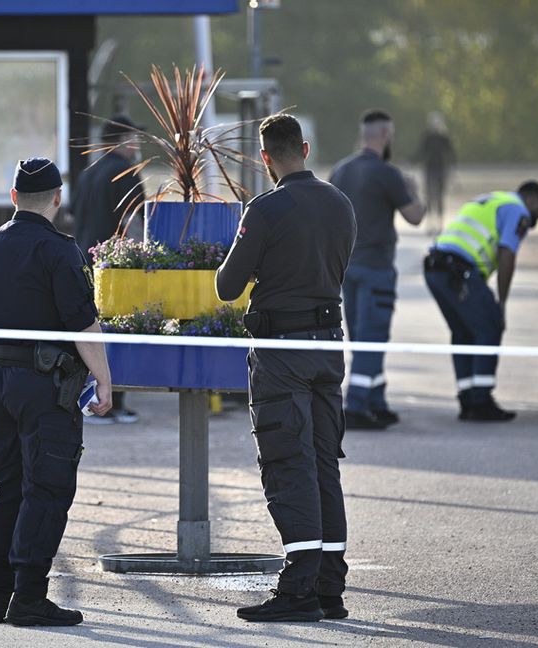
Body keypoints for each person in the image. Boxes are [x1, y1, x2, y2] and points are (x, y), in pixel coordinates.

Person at [0, 157, 113, 626]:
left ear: (13, 198)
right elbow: (82, 321)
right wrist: (104, 379)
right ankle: (29, 598)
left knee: (9, 488)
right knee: (46, 488)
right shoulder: (60, 250)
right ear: (58, 199)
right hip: (44, 386)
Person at [216, 113, 356, 623]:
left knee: (286, 462)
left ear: (265, 157)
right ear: (307, 146)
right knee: (323, 463)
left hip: (281, 352)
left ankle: (297, 589)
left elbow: (227, 287)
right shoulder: (340, 203)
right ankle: (329, 587)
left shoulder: (267, 209)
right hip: (327, 346)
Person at [329, 109, 426, 429]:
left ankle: (376, 399)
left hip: (348, 269)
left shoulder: (341, 171)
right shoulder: (388, 173)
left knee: (361, 338)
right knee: (374, 337)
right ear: (385, 135)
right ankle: (356, 405)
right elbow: (415, 216)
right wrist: (413, 189)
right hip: (377, 269)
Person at [423, 181, 538, 421]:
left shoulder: (494, 198)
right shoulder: (518, 211)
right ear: (532, 200)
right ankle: (480, 401)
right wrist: (501, 303)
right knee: (490, 324)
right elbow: (507, 254)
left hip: (436, 268)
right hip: (457, 270)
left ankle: (468, 397)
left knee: (463, 332)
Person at [70, 114, 146, 425]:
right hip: (117, 270)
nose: (137, 144)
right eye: (134, 138)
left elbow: (74, 214)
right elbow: (135, 223)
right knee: (117, 332)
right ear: (122, 140)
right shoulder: (125, 173)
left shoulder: (89, 174)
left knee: (88, 330)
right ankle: (112, 402)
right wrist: (145, 259)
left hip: (83, 263)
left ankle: (88, 400)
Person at [416, 112, 456, 233]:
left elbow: (451, 154)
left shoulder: (444, 137)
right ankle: (429, 224)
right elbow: (421, 152)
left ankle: (440, 225)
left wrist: (452, 170)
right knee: (428, 197)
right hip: (429, 169)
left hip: (441, 169)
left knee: (439, 198)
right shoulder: (427, 136)